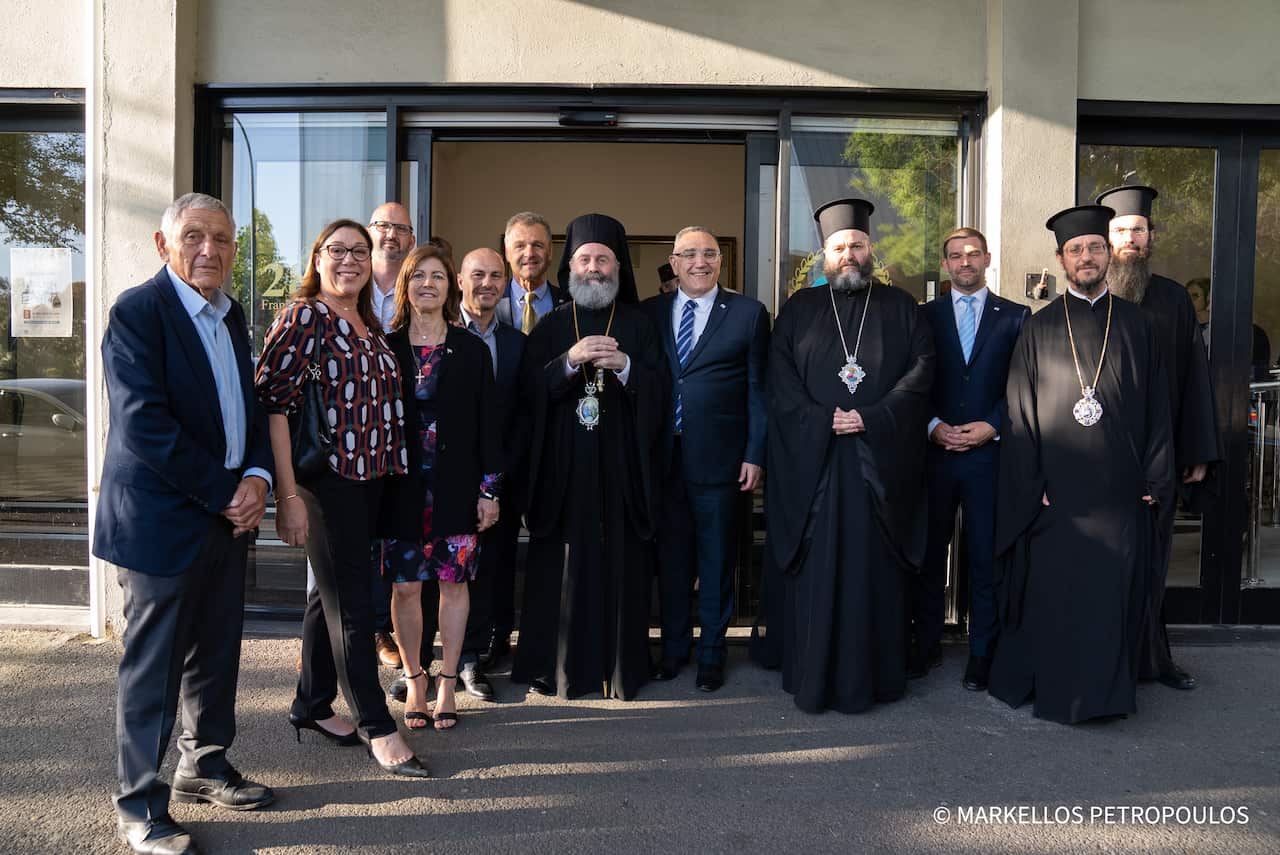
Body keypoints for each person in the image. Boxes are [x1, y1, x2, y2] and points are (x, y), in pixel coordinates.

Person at [96, 193, 275, 855]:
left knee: (215, 653)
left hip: (225, 518)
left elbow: (248, 411)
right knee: (154, 668)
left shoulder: (230, 318)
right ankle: (140, 805)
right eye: (195, 236)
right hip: (159, 523)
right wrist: (227, 490)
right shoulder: (138, 312)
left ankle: (203, 763)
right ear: (162, 243)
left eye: (223, 239)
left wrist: (257, 477)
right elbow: (144, 424)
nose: (211, 250)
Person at [256, 219, 429, 777]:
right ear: (317, 257)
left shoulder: (371, 322)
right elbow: (273, 407)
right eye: (338, 250)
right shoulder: (305, 315)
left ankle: (310, 704)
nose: (350, 260)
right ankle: (377, 723)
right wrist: (287, 495)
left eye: (360, 250)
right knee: (353, 604)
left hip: (370, 480)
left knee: (326, 596)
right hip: (328, 483)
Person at [989, 204, 1174, 725]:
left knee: (1109, 596)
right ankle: (1059, 689)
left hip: (1121, 490)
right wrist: (1033, 485)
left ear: (1108, 255)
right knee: (1060, 596)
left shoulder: (1139, 324)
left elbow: (1159, 408)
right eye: (1076, 250)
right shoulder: (1039, 327)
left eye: (1095, 247)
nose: (1087, 257)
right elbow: (1019, 411)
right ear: (1061, 260)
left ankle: (1107, 695)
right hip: (1058, 493)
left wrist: (1155, 478)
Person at [765, 198, 934, 714]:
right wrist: (822, 420)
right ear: (824, 254)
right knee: (816, 570)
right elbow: (781, 382)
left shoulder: (903, 308)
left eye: (857, 245)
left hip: (877, 465)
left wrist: (873, 417)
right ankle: (811, 671)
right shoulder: (798, 310)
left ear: (871, 249)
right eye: (839, 247)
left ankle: (877, 676)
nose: (849, 254)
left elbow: (922, 372)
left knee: (874, 572)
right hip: (815, 466)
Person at [511, 213, 668, 700]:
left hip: (620, 472)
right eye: (585, 259)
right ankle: (555, 668)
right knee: (561, 571)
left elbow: (662, 393)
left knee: (622, 569)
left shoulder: (640, 326)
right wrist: (569, 360)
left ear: (618, 267)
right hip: (564, 474)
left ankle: (622, 668)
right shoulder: (553, 326)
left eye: (603, 259)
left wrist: (626, 368)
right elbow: (527, 394)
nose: (594, 268)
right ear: (570, 266)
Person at [387, 247, 524, 707]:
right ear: (406, 284)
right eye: (419, 276)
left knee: (452, 583)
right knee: (406, 586)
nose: (428, 283)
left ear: (451, 287)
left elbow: (489, 426)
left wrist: (489, 492)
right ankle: (414, 680)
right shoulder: (386, 347)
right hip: (401, 489)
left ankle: (447, 681)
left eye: (438, 277)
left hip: (457, 487)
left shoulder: (469, 348)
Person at [1097, 184, 1221, 691]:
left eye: (1138, 231)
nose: (1131, 239)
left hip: (1159, 454)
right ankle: (1104, 656)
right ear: (1107, 238)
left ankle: (1154, 659)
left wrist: (1197, 449)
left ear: (1150, 237)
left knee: (1152, 559)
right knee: (1101, 557)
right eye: (1122, 231)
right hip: (1097, 452)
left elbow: (1195, 376)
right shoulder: (1090, 293)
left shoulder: (1172, 298)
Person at [642, 226, 768, 692]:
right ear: (673, 263)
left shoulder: (750, 314)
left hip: (721, 461)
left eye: (709, 254)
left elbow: (759, 389)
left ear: (720, 262)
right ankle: (674, 650)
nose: (700, 262)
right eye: (689, 254)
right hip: (663, 460)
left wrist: (755, 453)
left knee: (715, 562)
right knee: (672, 562)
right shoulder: (650, 313)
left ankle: (712, 654)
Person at [915, 227, 1029, 691]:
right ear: (945, 264)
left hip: (989, 457)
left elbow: (1025, 384)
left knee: (986, 559)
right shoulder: (922, 317)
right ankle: (923, 646)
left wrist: (993, 425)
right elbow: (908, 383)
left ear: (987, 259)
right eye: (956, 256)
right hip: (935, 456)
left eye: (974, 254)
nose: (965, 262)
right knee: (926, 556)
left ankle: (982, 652)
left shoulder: (1017, 317)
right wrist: (932, 425)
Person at [367, 202, 416, 669]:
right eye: (384, 226)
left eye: (402, 229)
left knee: (383, 539)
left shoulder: (413, 291)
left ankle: (379, 629)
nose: (392, 236)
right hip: (350, 433)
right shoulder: (350, 281)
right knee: (337, 542)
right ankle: (318, 638)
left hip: (397, 432)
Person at [498, 211, 569, 331]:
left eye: (537, 245)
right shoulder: (494, 301)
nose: (529, 254)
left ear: (550, 252)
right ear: (507, 253)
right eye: (520, 246)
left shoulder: (568, 303)